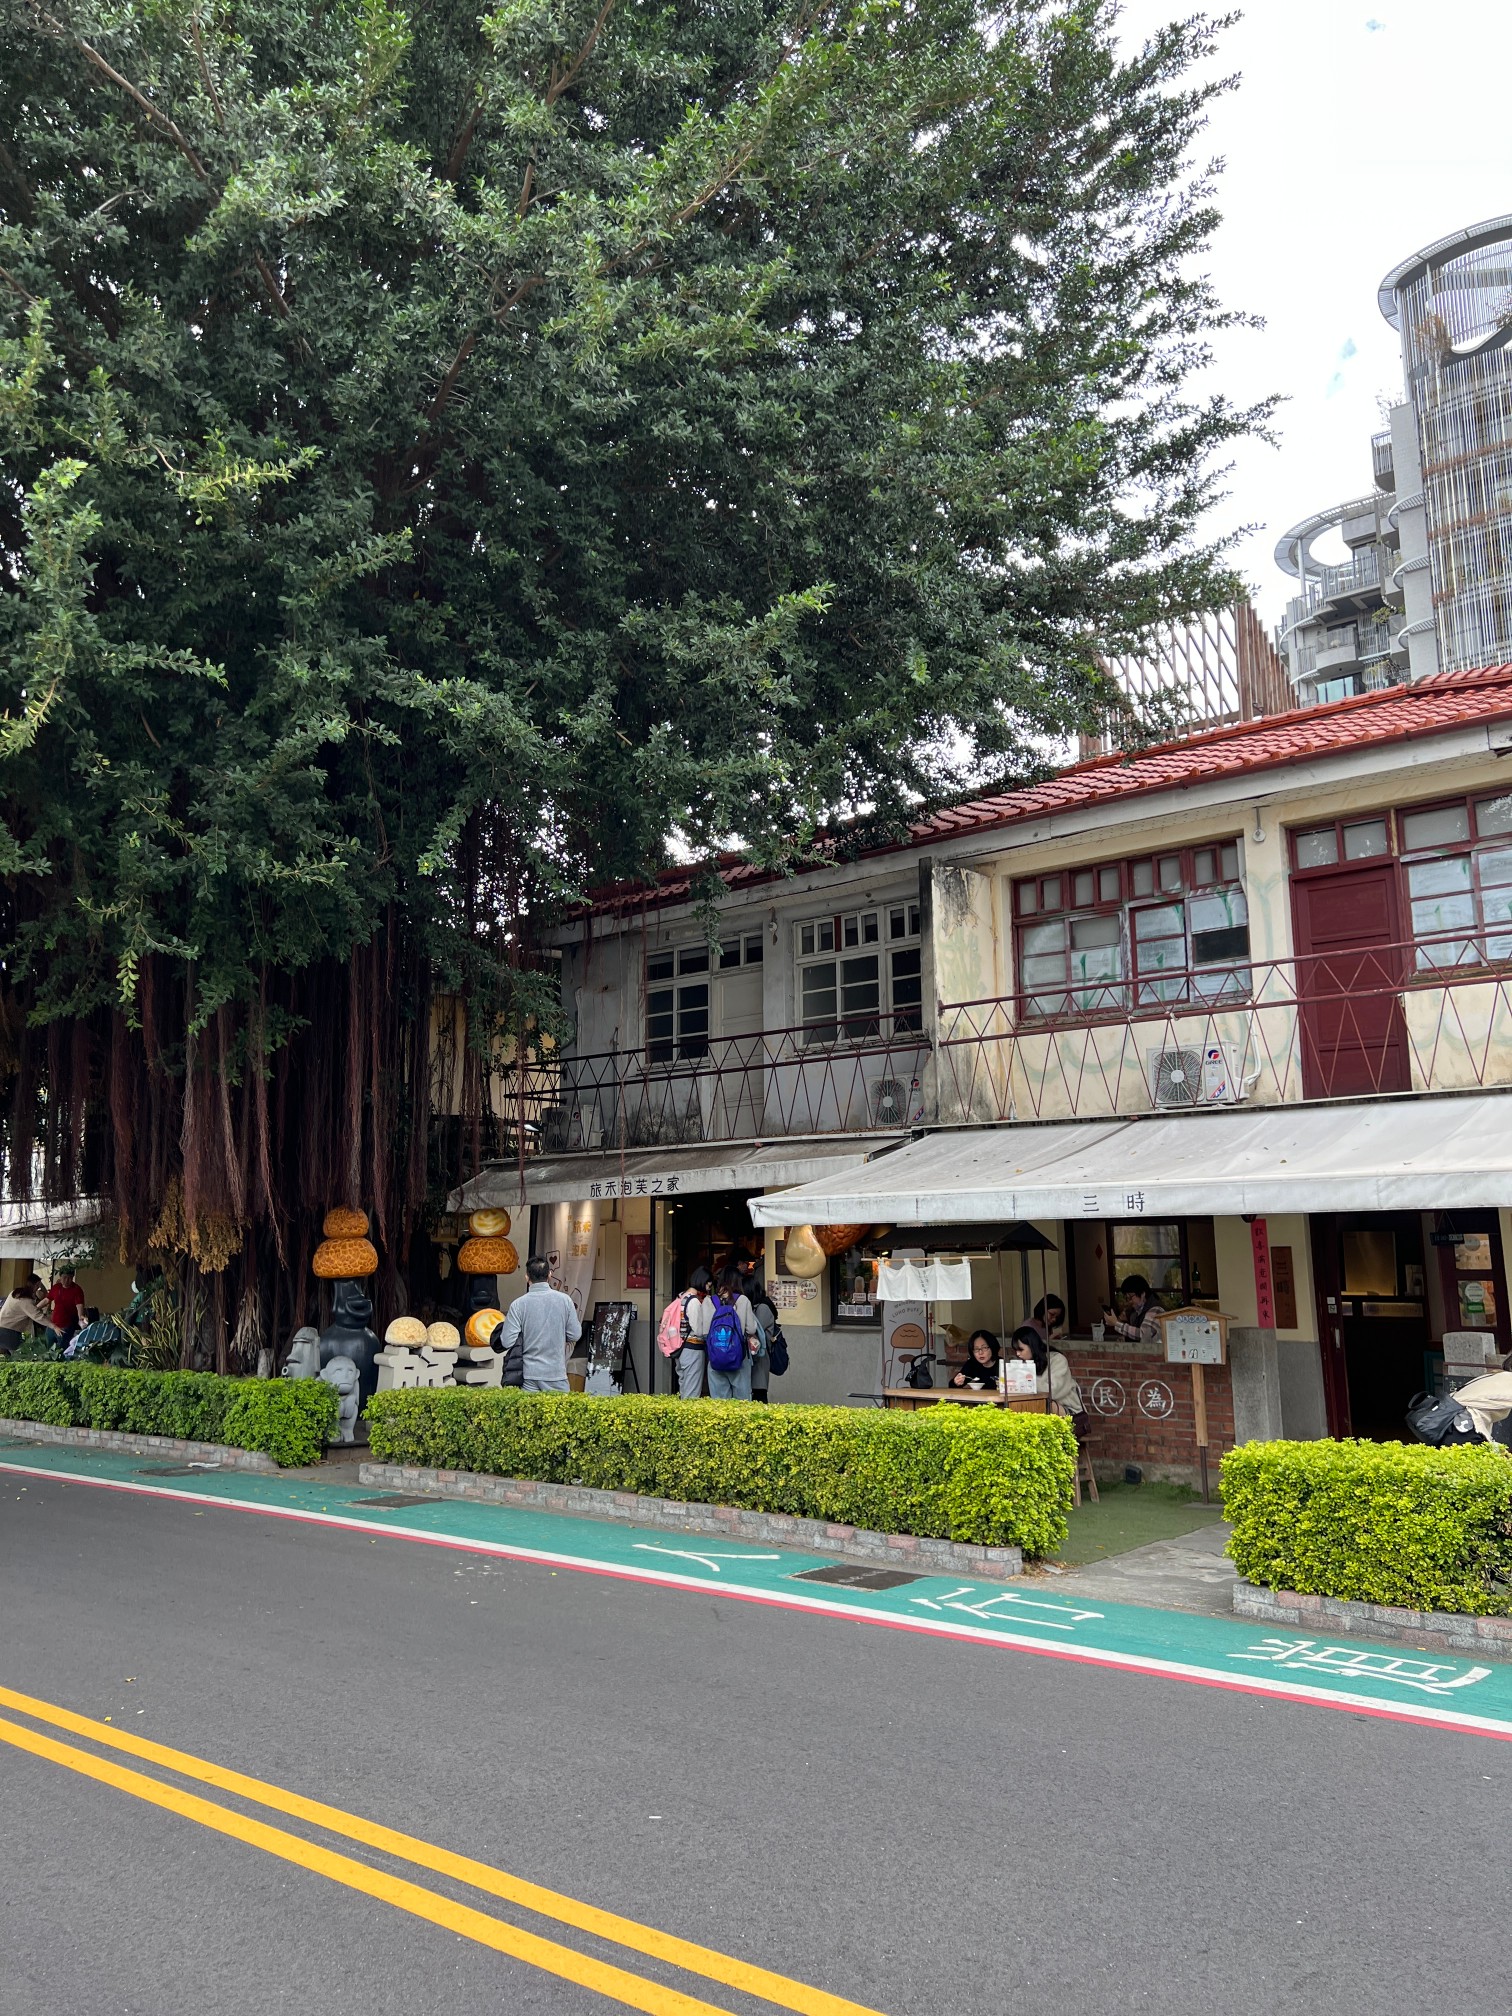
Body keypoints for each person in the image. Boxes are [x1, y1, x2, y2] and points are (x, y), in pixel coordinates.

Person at [495, 1255, 582, 1392]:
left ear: (527, 1277)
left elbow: (506, 1341)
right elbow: (575, 1335)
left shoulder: (518, 1305)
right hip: (556, 1375)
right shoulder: (565, 1301)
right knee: (559, 1406)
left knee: (530, 1407)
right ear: (550, 1275)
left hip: (528, 1377)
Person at [693, 1264, 758, 1400]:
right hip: (738, 1358)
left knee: (719, 1403)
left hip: (715, 1358)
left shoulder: (708, 1301)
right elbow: (751, 1329)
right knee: (742, 1402)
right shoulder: (743, 1300)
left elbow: (701, 1332)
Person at [1010, 1326, 1085, 1422]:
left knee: (1042, 1405)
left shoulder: (1057, 1360)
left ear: (1032, 1346)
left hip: (1067, 1409)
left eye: (1021, 1349)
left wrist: (1023, 1381)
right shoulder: (1022, 1363)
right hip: (1038, 1407)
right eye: (1015, 1350)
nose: (1018, 1354)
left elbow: (1052, 1391)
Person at [676, 1266, 713, 1399]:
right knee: (692, 1393)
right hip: (693, 1348)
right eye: (709, 1284)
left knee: (683, 1388)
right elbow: (698, 1330)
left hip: (680, 1348)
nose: (709, 1288)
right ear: (703, 1281)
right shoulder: (694, 1301)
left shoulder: (680, 1297)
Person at [0, 1275, 61, 1357]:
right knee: (21, 1356)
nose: (38, 1289)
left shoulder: (15, 1293)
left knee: (12, 1357)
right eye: (38, 1286)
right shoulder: (25, 1300)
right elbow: (37, 1316)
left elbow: (31, 1311)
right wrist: (54, 1326)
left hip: (3, 1328)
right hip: (9, 1331)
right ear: (36, 1285)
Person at [1102, 1274, 1163, 1344]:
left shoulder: (1155, 1309)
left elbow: (1143, 1334)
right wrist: (1125, 1339)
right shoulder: (1136, 1312)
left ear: (1143, 1294)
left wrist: (1116, 1323)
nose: (1129, 1301)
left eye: (1131, 1297)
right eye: (1127, 1298)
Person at [46, 1264, 86, 1347]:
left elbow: (79, 1306)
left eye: (70, 1278)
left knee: (61, 1348)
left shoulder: (77, 1289)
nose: (67, 1280)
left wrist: (81, 1318)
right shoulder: (56, 1287)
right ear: (60, 1277)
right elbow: (47, 1300)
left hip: (66, 1326)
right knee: (48, 1347)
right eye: (64, 1277)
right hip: (52, 1324)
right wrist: (34, 1309)